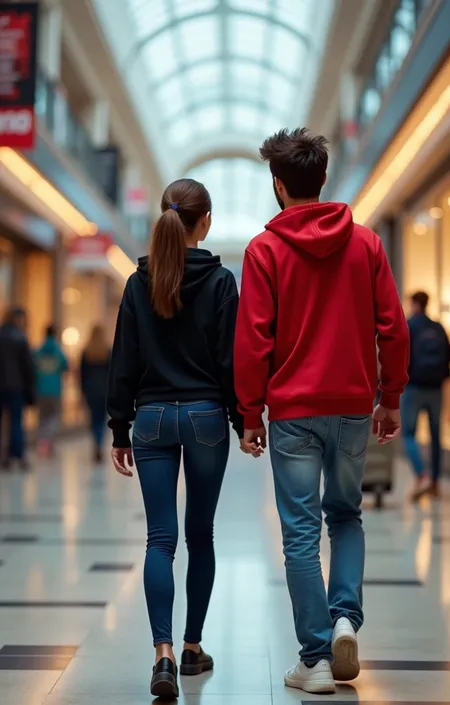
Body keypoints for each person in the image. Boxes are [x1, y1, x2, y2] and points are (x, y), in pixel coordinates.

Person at [234, 128, 410, 695]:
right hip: (355, 407)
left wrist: (249, 412)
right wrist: (391, 398)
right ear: (323, 180)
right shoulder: (365, 244)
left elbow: (254, 338)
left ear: (279, 186)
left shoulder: (265, 250)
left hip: (292, 414)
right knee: (347, 515)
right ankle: (344, 620)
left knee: (300, 533)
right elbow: (393, 327)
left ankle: (313, 659)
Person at [107, 178, 243, 699]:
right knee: (200, 534)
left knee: (159, 539)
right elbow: (230, 360)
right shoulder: (221, 280)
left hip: (154, 417)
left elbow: (124, 360)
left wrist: (120, 426)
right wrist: (241, 419)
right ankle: (191, 647)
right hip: (206, 414)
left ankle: (161, 655)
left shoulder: (139, 281)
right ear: (204, 221)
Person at [402, 291, 450, 500]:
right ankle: (435, 483)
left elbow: (400, 354)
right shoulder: (438, 327)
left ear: (414, 304)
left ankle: (421, 475)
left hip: (413, 387)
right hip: (435, 389)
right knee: (435, 436)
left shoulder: (410, 325)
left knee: (408, 434)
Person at [0, 307, 35, 470]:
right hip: (16, 387)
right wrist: (30, 391)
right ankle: (18, 455)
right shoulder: (20, 338)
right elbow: (28, 367)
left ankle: (4, 457)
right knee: (16, 423)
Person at [35, 324, 68, 457]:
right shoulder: (58, 352)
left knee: (42, 417)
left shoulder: (37, 352)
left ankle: (44, 441)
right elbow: (65, 366)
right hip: (55, 390)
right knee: (55, 417)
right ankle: (48, 440)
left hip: (40, 389)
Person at [80, 325, 111, 463]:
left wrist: (82, 391)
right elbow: (113, 373)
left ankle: (96, 443)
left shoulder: (86, 352)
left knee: (93, 419)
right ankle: (100, 443)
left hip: (90, 390)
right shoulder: (107, 352)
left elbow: (82, 374)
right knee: (102, 419)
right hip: (105, 390)